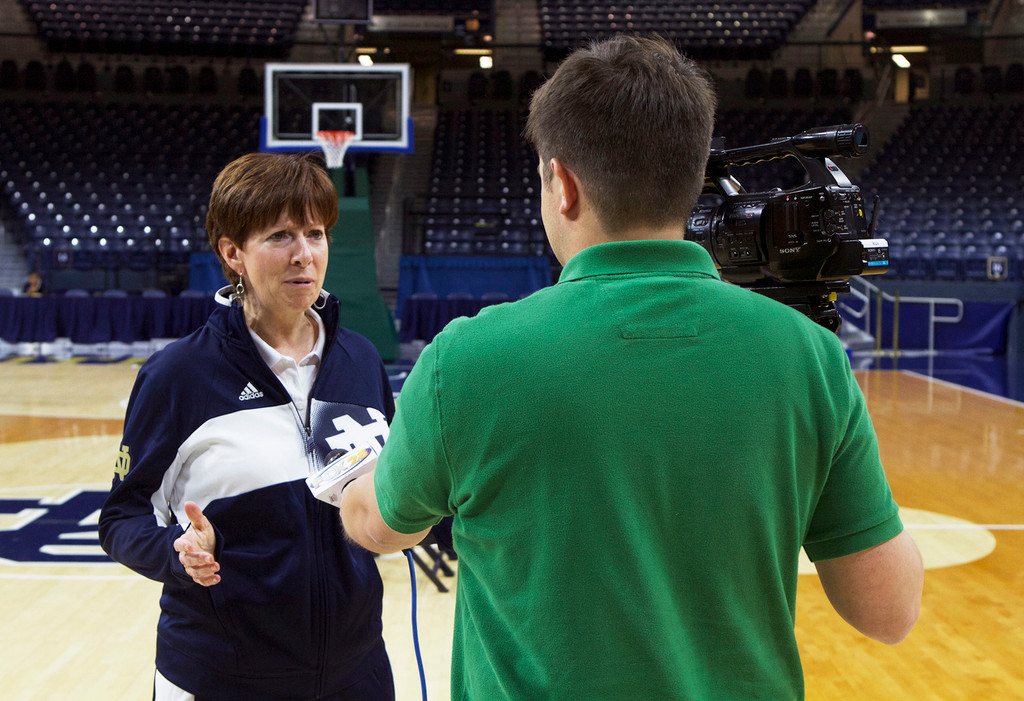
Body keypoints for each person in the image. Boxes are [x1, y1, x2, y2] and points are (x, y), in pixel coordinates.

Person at [340, 35, 923, 700]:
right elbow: (889, 610)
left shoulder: (465, 358)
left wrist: (353, 481)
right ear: (690, 175)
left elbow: (384, 527)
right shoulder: (811, 357)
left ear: (563, 185)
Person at [100, 152, 397, 701]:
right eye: (280, 236)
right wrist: (177, 552)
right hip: (221, 676)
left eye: (315, 233)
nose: (304, 254)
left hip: (357, 672)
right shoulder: (178, 376)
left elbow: (402, 486)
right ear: (233, 253)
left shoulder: (360, 360)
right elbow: (121, 517)